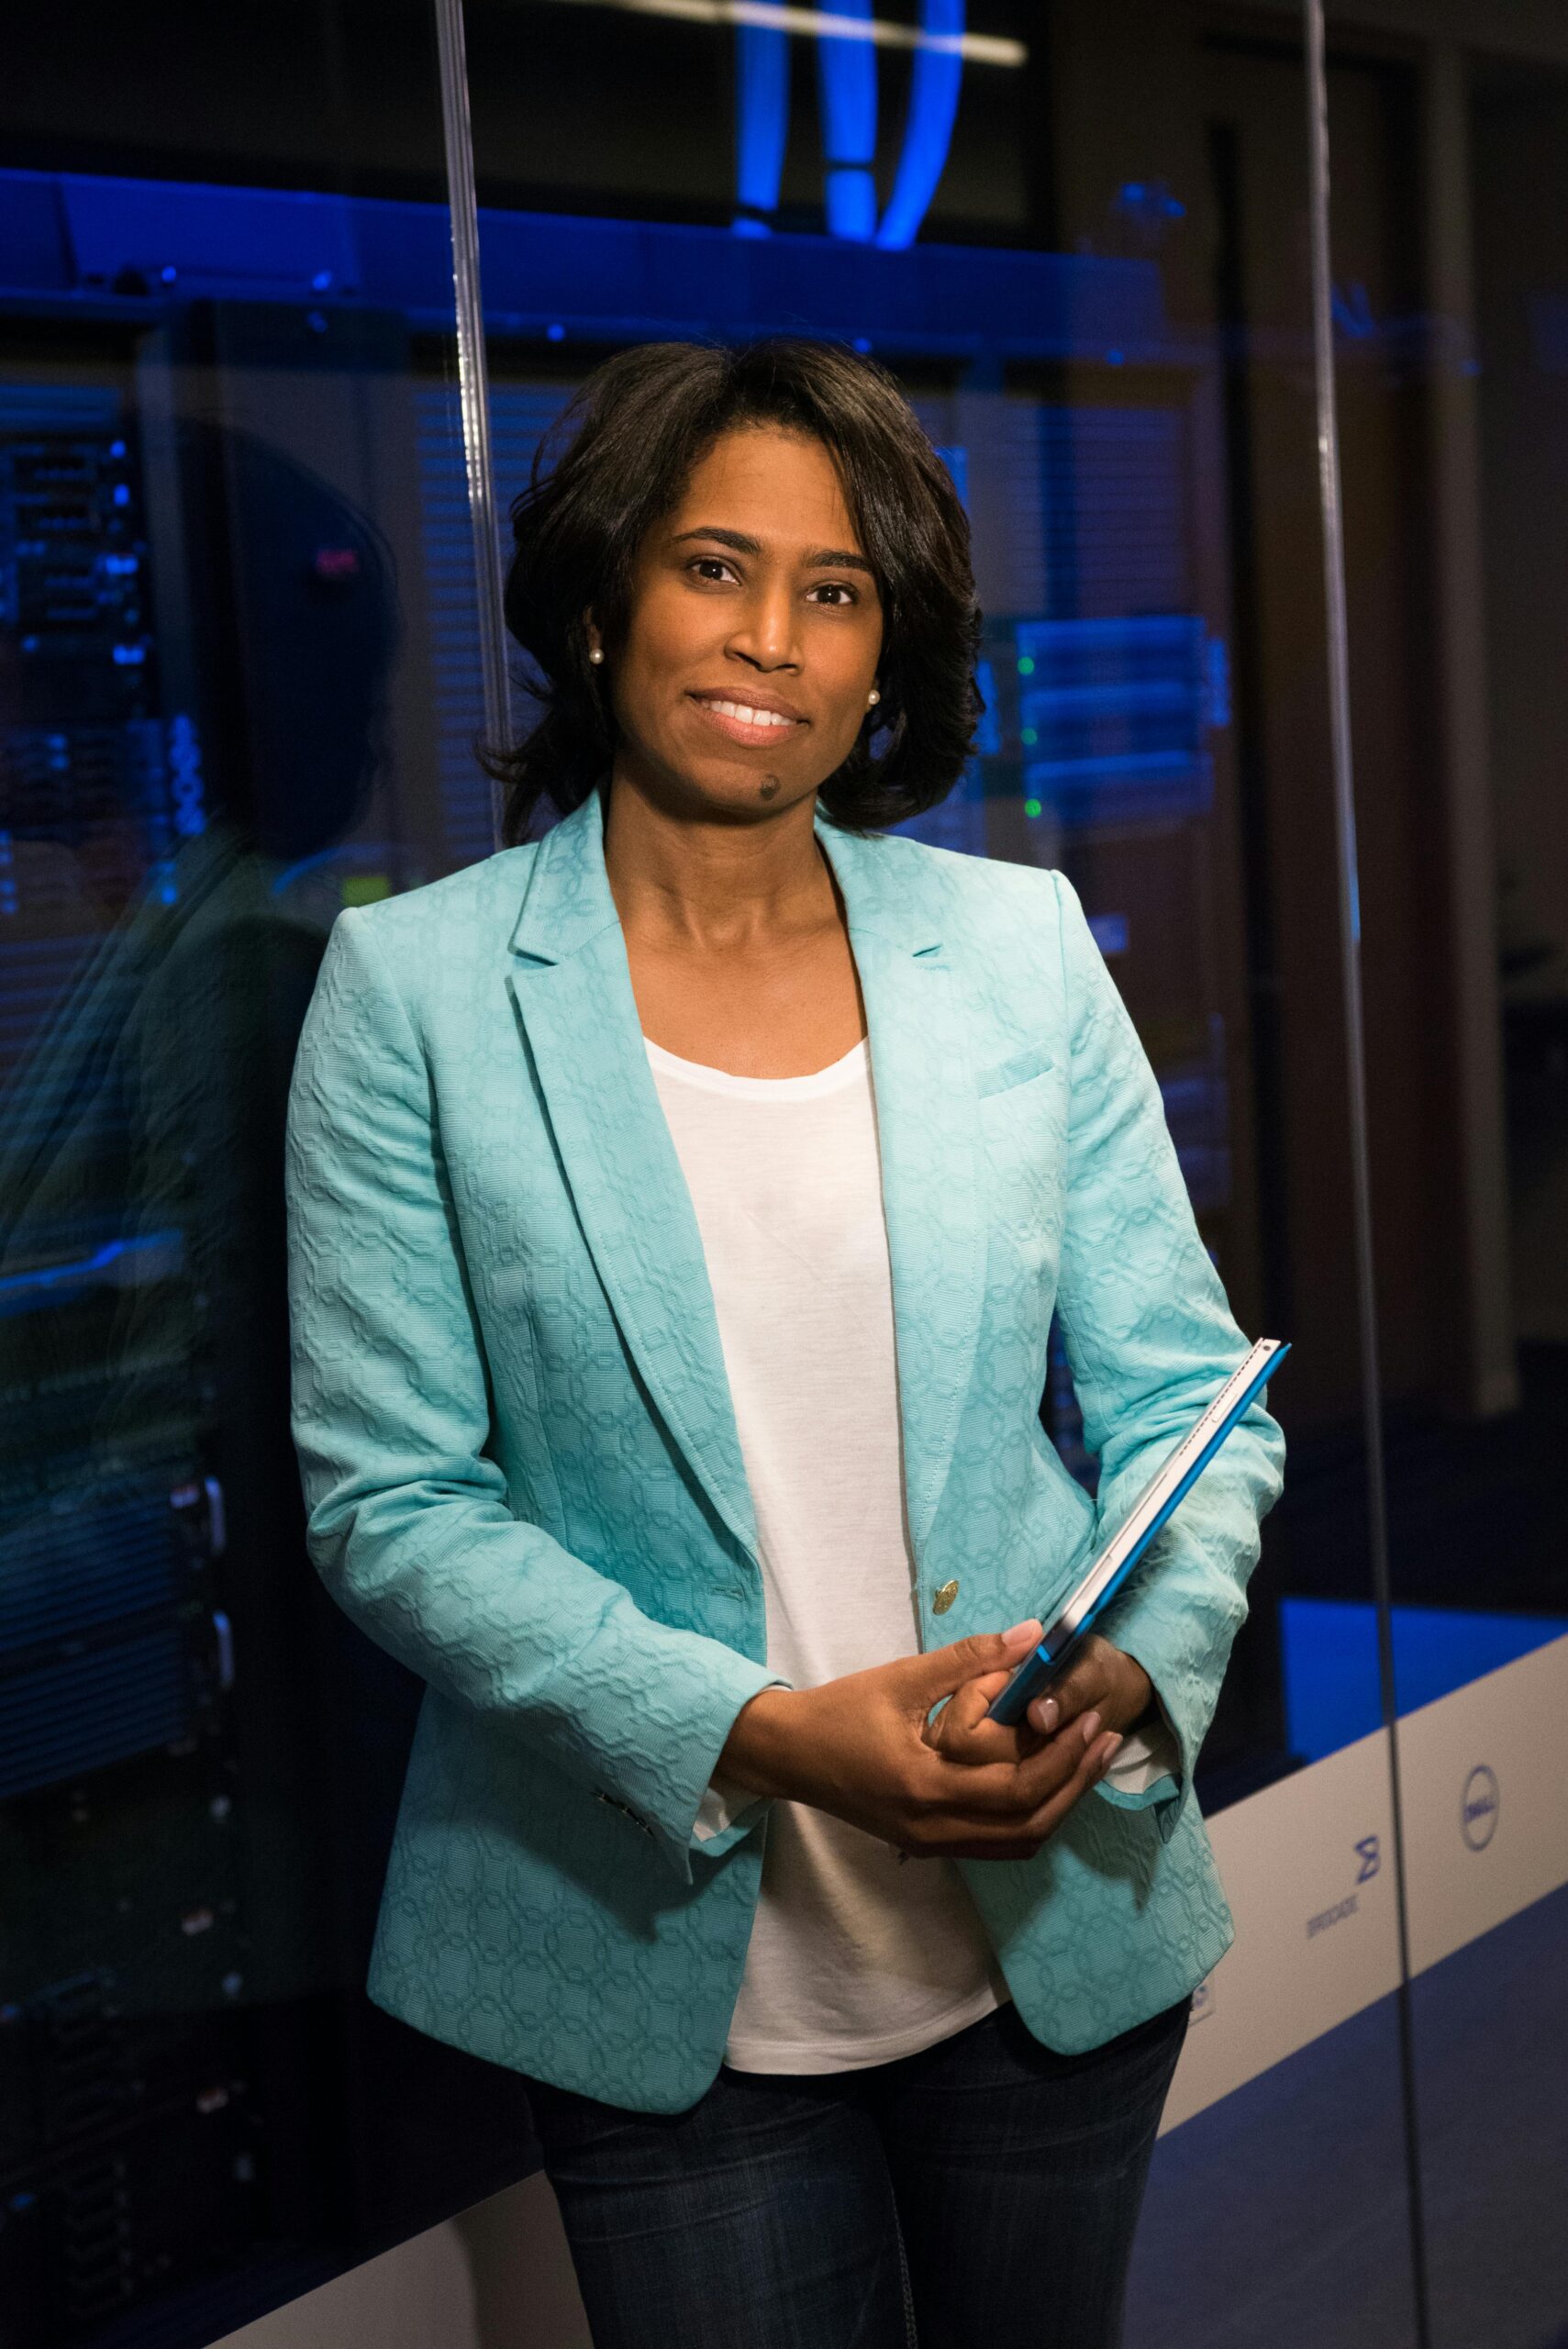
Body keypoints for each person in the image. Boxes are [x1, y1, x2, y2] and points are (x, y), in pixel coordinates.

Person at [284, 337, 1285, 2348]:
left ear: (886, 651)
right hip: (658, 1958)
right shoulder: (415, 990)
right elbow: (392, 1500)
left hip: (1051, 1914)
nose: (771, 637)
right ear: (597, 604)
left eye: (834, 591)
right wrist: (751, 1728)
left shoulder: (1013, 949)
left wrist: (1132, 1683)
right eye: (712, 565)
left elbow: (1193, 1398)